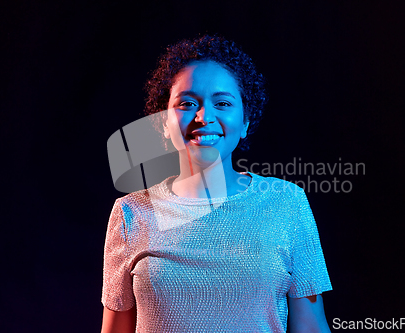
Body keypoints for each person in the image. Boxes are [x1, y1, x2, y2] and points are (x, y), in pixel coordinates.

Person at [101, 35, 332, 333]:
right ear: (163, 123)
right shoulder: (131, 213)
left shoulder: (288, 204)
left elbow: (311, 327)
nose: (204, 116)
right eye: (186, 103)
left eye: (222, 103)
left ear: (246, 120)